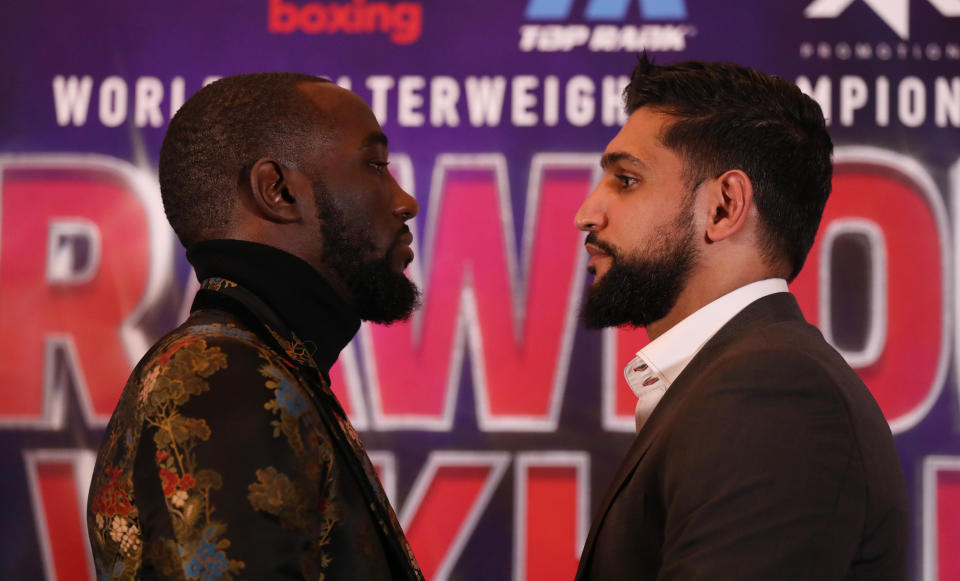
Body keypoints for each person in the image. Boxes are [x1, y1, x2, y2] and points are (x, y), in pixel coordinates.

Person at [573, 55, 909, 580]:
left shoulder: (777, 391)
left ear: (724, 207)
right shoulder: (740, 378)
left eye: (627, 180)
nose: (587, 213)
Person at [86, 73, 424, 580]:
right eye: (376, 165)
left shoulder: (264, 361)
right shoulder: (221, 376)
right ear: (279, 191)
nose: (405, 201)